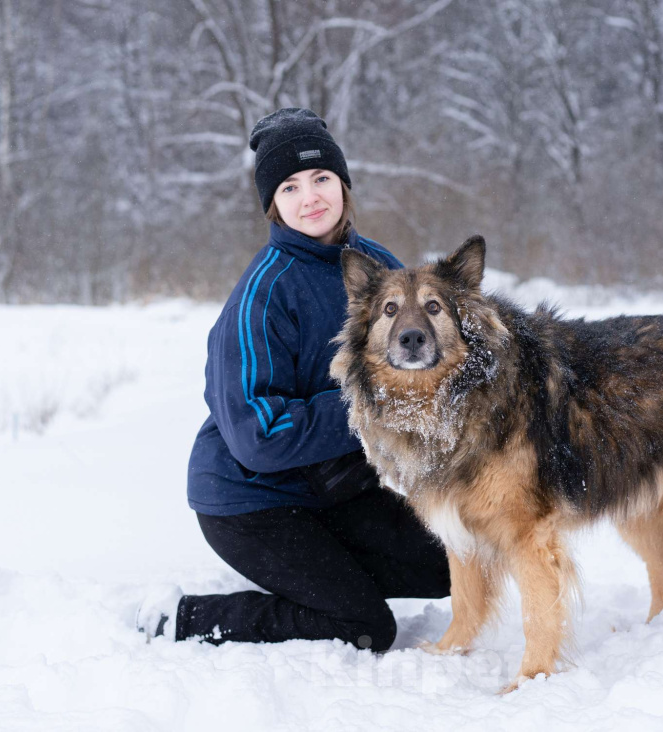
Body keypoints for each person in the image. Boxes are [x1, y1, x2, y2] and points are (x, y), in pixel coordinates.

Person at [137, 108, 450, 651]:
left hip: (336, 490)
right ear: (273, 204)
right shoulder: (263, 294)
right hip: (252, 499)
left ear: (343, 184)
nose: (311, 197)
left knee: (449, 567)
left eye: (322, 178)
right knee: (363, 627)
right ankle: (184, 618)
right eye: (290, 186)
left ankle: (327, 575)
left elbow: (427, 367)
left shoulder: (380, 270)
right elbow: (258, 435)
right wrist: (372, 404)